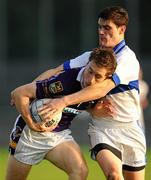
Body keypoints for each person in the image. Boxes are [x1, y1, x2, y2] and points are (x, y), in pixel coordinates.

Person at [35, 6, 146, 180]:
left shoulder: (127, 59)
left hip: (130, 129)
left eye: (107, 28)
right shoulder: (91, 57)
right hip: (102, 128)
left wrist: (63, 101)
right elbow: (56, 72)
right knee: (114, 175)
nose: (101, 32)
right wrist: (30, 89)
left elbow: (101, 89)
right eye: (100, 27)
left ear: (122, 29)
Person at [6, 48, 117, 180]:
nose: (90, 80)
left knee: (80, 171)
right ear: (87, 64)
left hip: (59, 135)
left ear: (107, 79)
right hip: (30, 135)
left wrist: (94, 110)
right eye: (90, 71)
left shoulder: (99, 91)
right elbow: (19, 93)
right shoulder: (64, 81)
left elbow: (76, 106)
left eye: (98, 76)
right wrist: (31, 124)